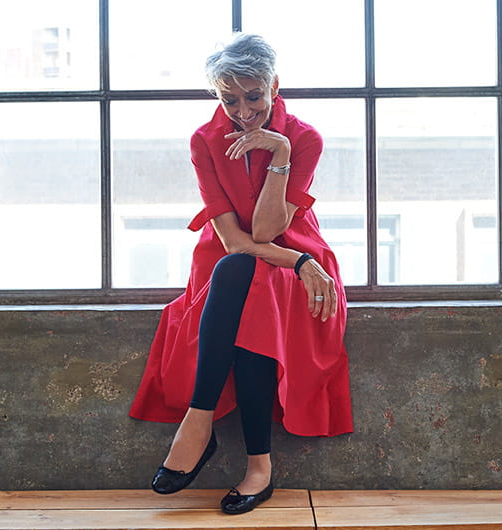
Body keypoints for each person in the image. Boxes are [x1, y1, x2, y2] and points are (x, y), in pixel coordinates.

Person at [129, 33, 353, 515]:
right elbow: (234, 241)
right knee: (237, 272)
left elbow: (271, 228)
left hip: (292, 254)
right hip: (251, 262)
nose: (244, 111)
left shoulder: (305, 138)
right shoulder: (205, 140)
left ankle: (199, 422)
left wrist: (280, 156)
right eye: (229, 99)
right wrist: (297, 263)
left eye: (254, 97)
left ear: (275, 85)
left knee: (250, 289)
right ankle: (257, 464)